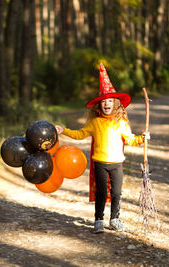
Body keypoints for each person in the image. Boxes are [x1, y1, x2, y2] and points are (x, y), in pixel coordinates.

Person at [55, 62, 150, 233]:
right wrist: (64, 131)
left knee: (116, 193)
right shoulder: (95, 122)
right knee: (100, 192)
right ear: (99, 105)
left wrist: (141, 139)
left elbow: (130, 139)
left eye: (110, 101)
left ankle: (114, 219)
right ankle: (98, 220)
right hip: (100, 163)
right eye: (103, 102)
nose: (106, 104)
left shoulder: (121, 122)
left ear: (115, 104)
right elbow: (80, 134)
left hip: (116, 163)